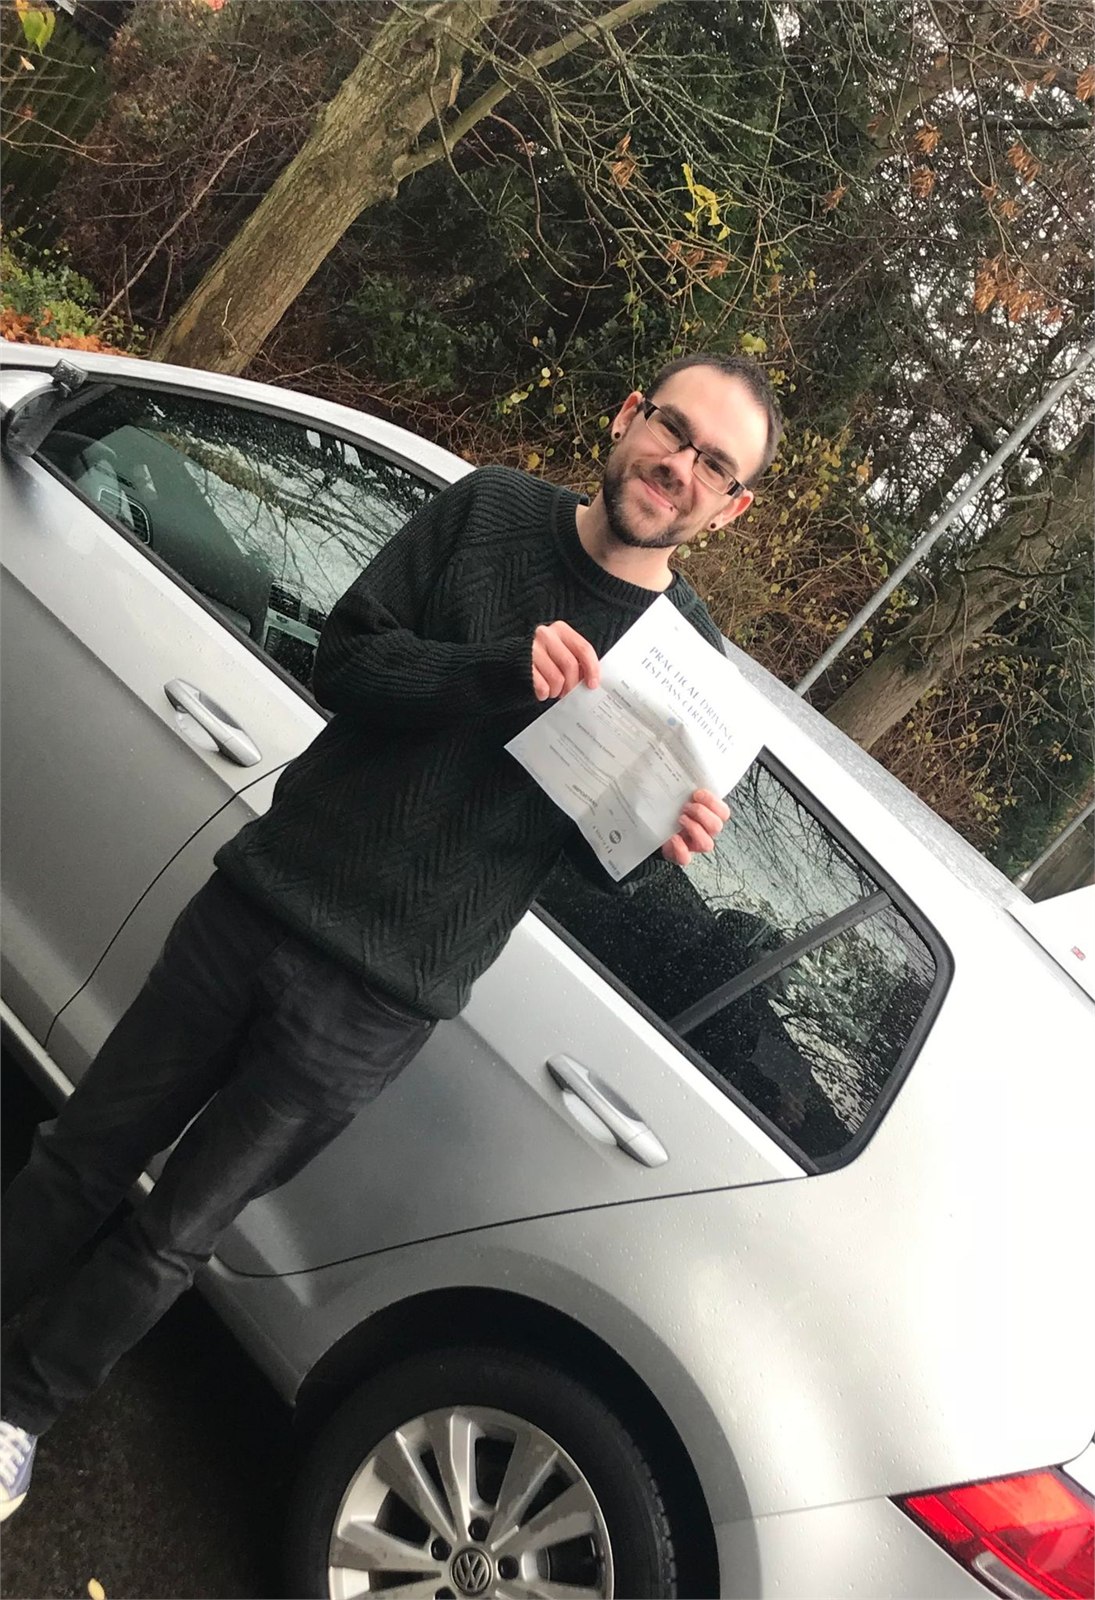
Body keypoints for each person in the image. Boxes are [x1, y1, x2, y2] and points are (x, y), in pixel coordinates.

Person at [0, 352, 782, 1518]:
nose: (681, 466)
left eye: (714, 465)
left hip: (378, 1004)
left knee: (174, 1234)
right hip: (266, 902)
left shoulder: (687, 667)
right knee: (82, 1155)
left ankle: (20, 1409)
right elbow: (347, 660)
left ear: (731, 507)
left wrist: (652, 845)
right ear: (629, 416)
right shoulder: (491, 511)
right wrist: (498, 670)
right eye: (673, 429)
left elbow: (578, 862)